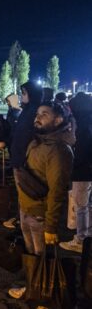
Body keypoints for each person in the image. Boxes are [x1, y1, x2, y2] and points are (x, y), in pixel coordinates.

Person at [8, 102, 74, 300]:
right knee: (31, 255)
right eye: (37, 113)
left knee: (44, 257)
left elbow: (58, 191)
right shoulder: (37, 141)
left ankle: (46, 297)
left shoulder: (60, 150)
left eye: (45, 114)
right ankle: (33, 289)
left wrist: (52, 227)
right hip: (26, 208)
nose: (38, 117)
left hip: (41, 215)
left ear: (58, 120)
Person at [0, 81, 43, 229]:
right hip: (20, 159)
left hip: (25, 161)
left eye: (23, 93)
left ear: (31, 94)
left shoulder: (35, 112)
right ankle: (22, 219)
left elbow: (28, 137)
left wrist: (22, 158)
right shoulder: (27, 110)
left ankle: (24, 222)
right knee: (22, 194)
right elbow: (17, 133)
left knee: (26, 194)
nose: (21, 96)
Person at [60, 93, 92, 253]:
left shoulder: (83, 125)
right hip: (87, 169)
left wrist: (73, 166)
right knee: (87, 204)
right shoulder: (88, 120)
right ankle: (87, 237)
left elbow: (80, 148)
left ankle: (81, 239)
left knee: (81, 206)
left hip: (83, 170)